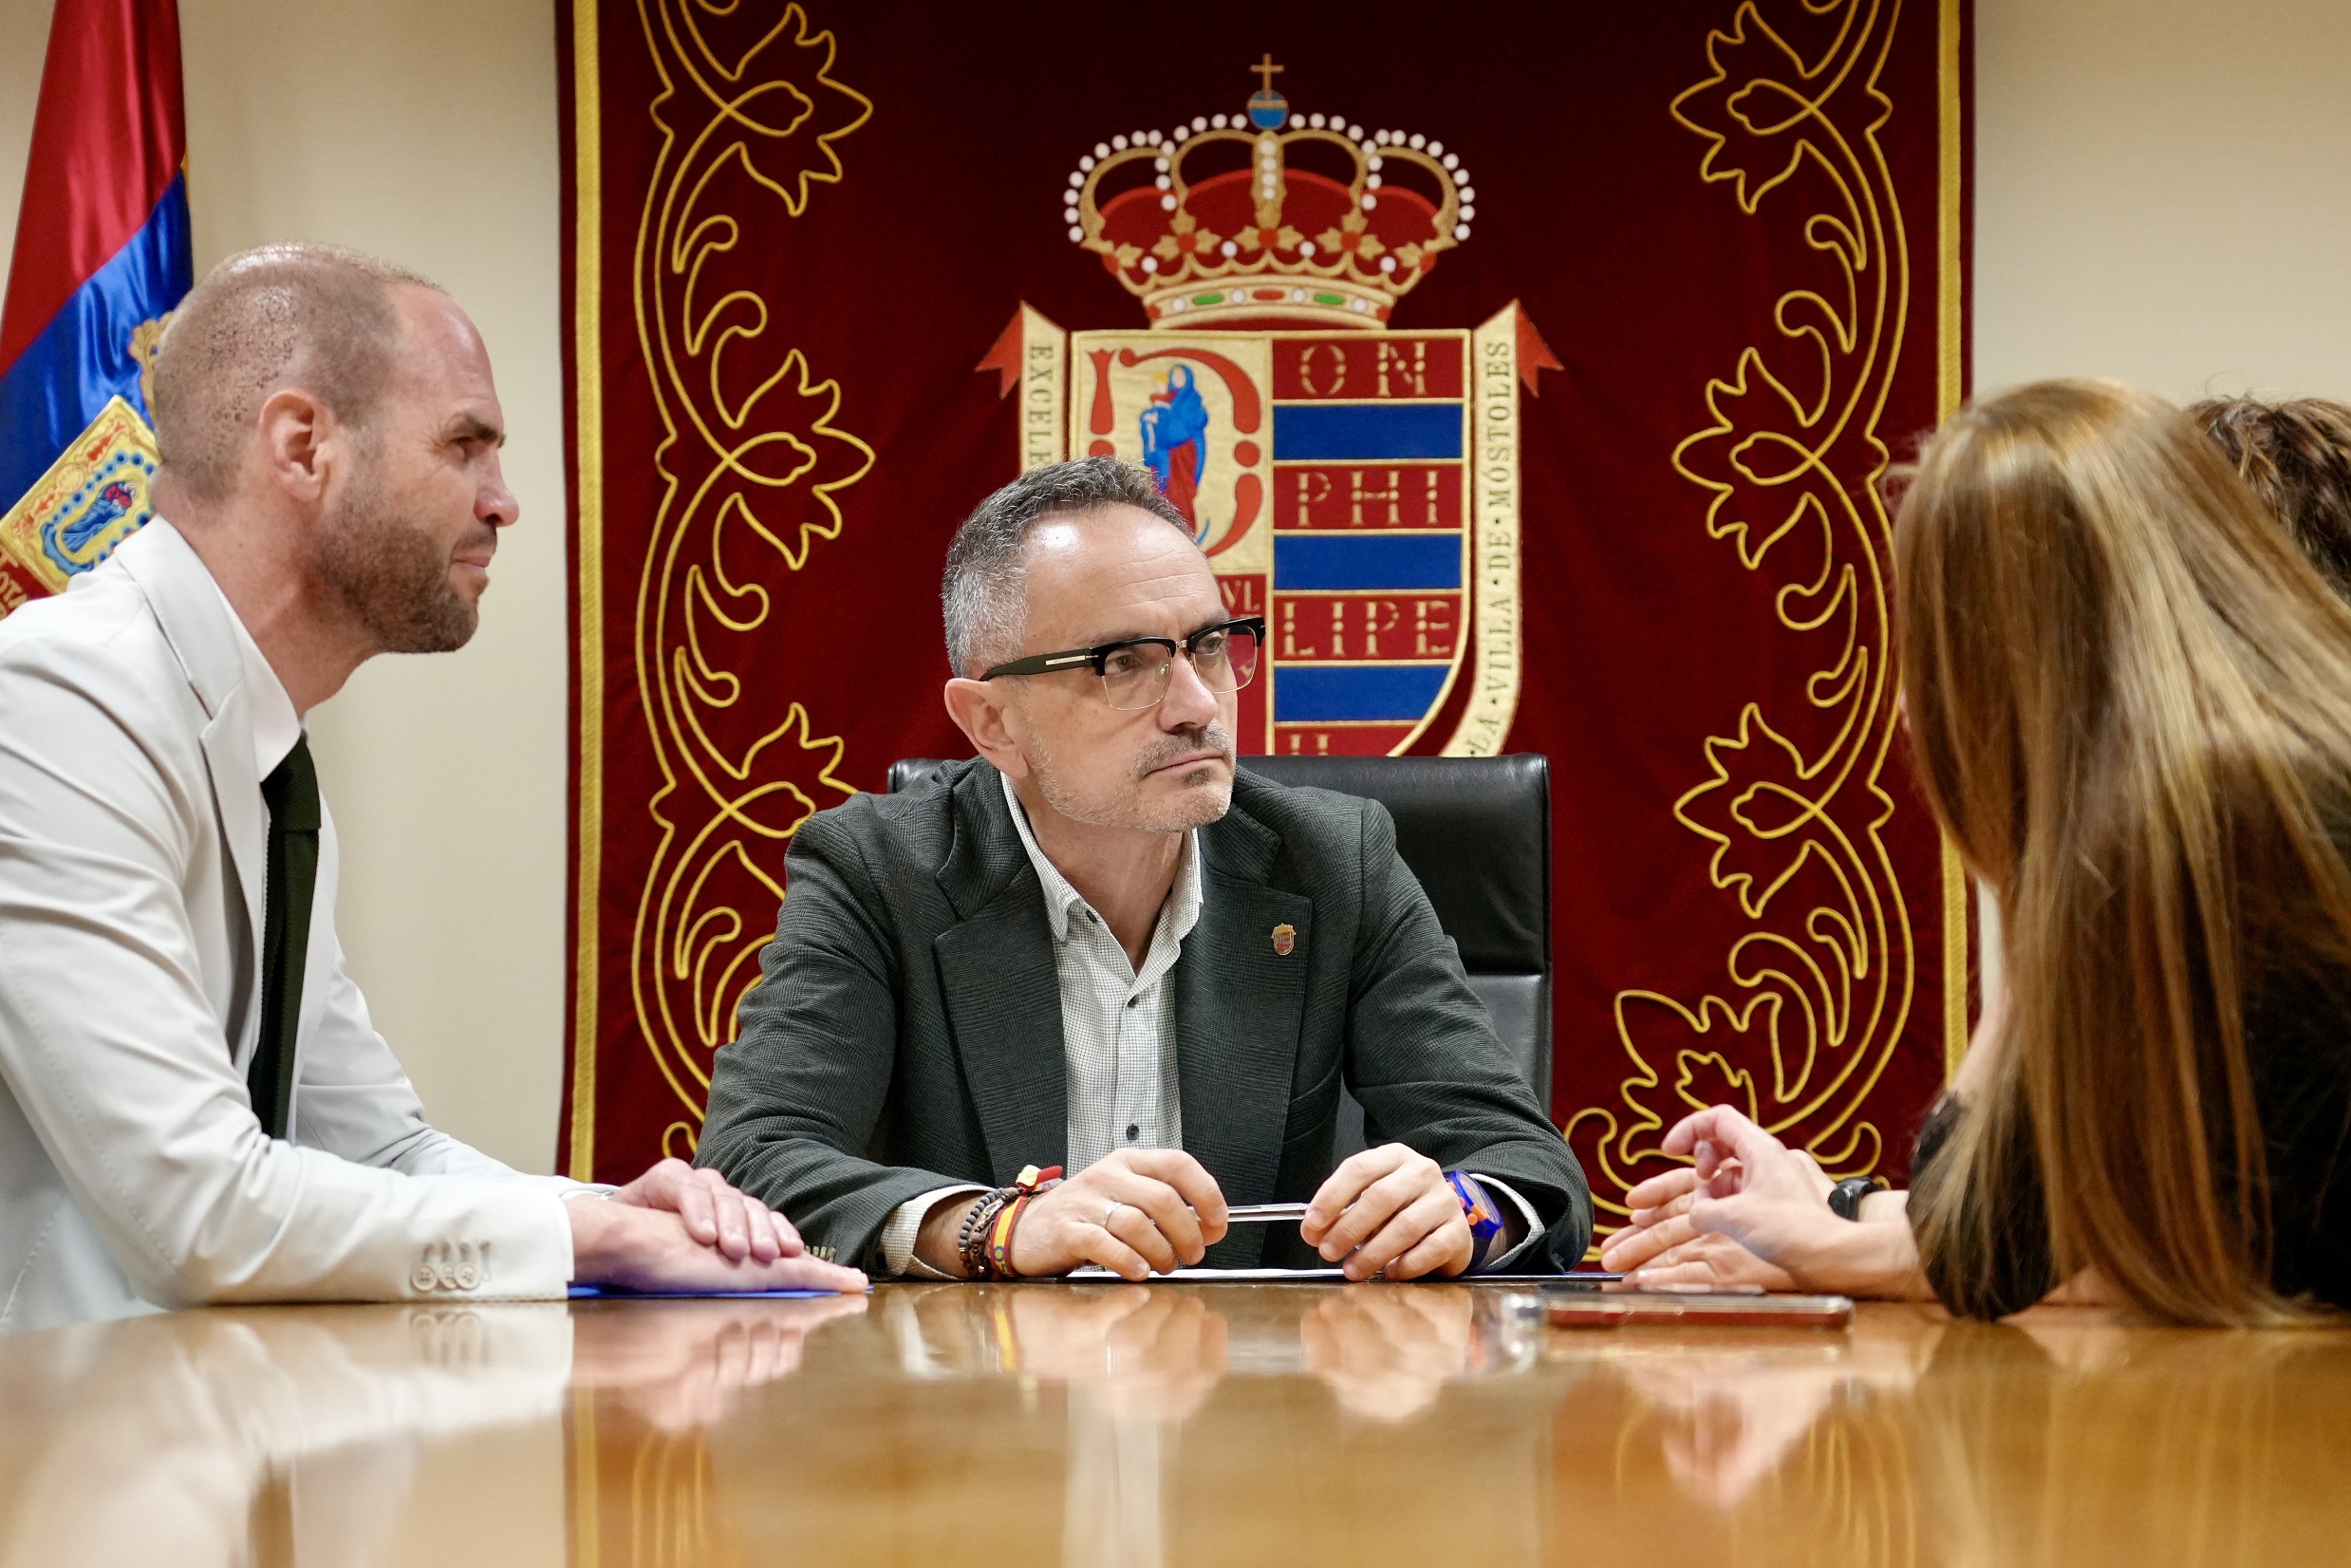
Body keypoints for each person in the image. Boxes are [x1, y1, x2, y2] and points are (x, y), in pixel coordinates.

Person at [0, 244, 864, 1334]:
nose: (504, 502)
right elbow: (196, 1209)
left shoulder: (262, 747)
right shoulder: (56, 700)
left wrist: (622, 1212)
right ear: (302, 446)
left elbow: (379, 1146)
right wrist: (587, 1240)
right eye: (464, 444)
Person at [696, 457, 1590, 1281]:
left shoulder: (1330, 862)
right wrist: (995, 1229)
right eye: (1122, 664)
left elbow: (1523, 1164)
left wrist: (1465, 1212)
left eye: (1209, 646)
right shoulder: (876, 871)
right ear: (991, 723)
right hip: (980, 1390)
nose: (1197, 706)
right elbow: (752, 1162)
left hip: (1261, 1387)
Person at [1601, 380, 2351, 1323]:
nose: (1907, 709)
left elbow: (2007, 1249)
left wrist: (1826, 1243)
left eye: (1936, 647)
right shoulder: (2191, 791)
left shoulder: (2219, 821)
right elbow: (2007, 1223)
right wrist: (1829, 1212)